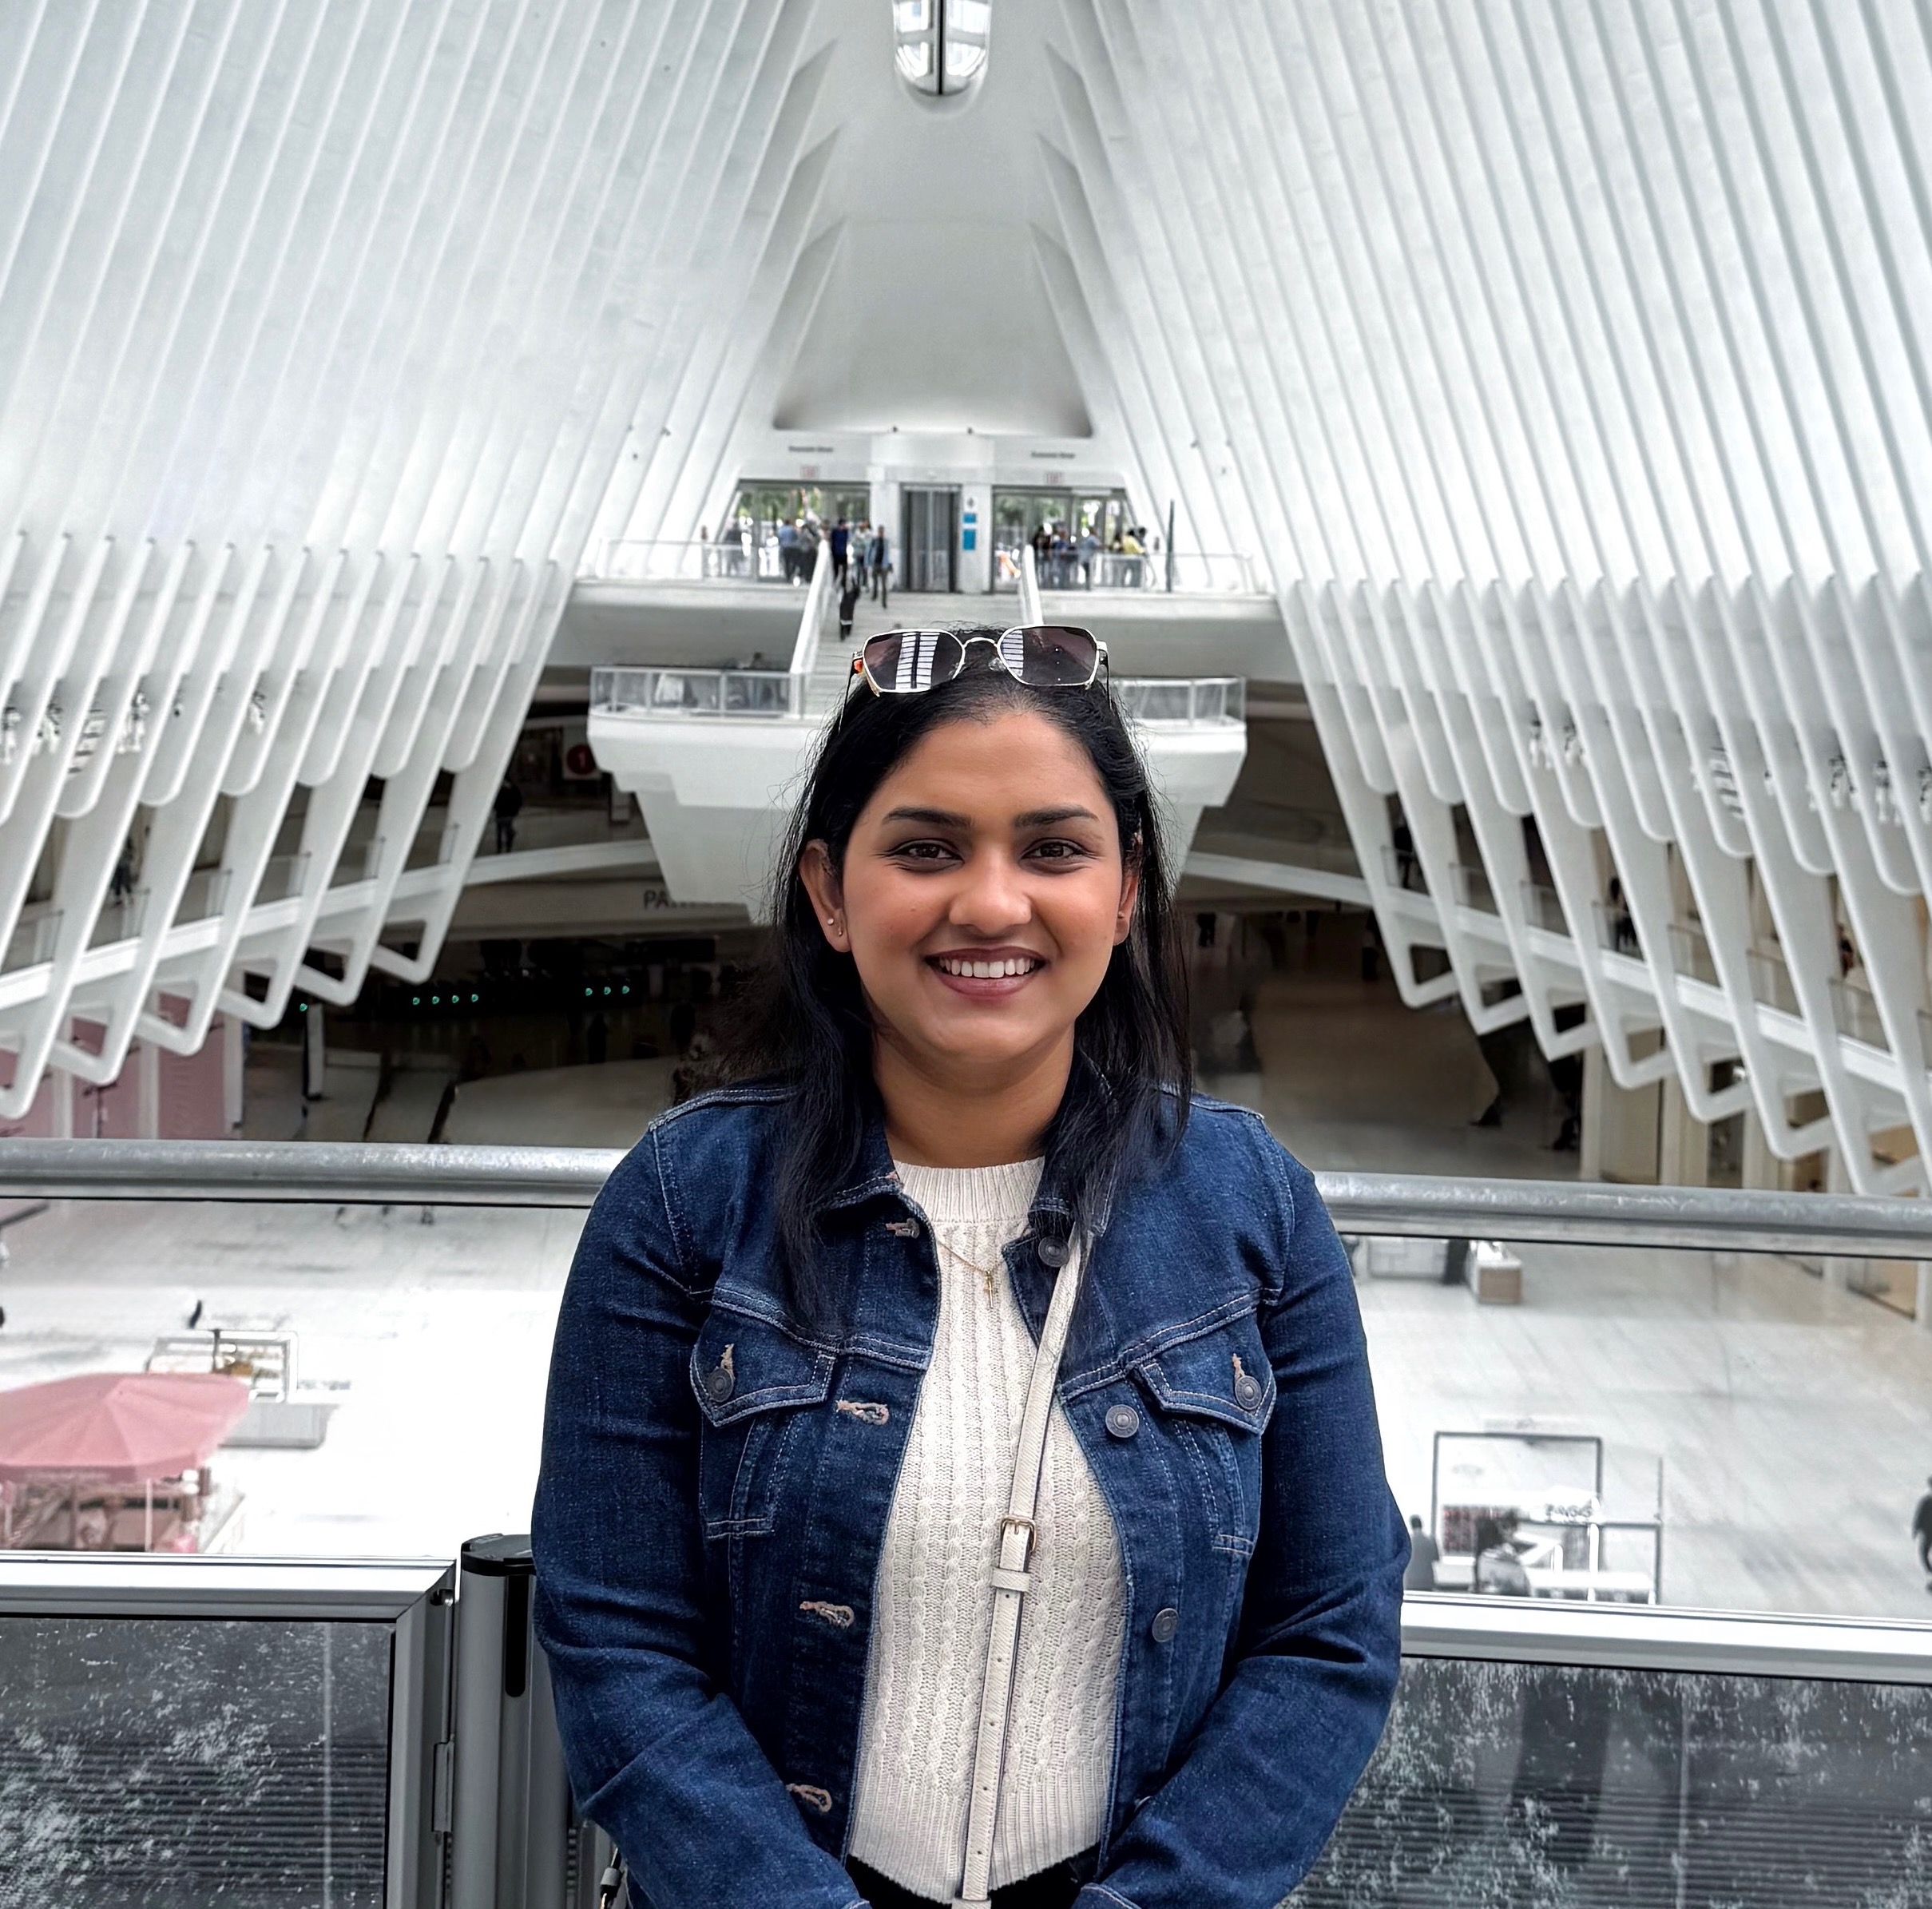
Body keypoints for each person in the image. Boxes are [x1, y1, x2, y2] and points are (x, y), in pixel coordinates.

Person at [534, 625, 1408, 1909]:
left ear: (1124, 891)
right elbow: (617, 1642)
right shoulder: (678, 1206)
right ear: (830, 893)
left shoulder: (1251, 1206)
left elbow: (1329, 1633)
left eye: (1052, 849)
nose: (992, 903)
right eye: (925, 849)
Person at [1403, 1514, 1441, 1593]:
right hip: (1427, 1580)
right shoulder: (1431, 1540)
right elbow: (1437, 1558)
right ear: (1421, 1525)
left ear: (1411, 1526)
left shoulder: (1408, 1541)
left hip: (1411, 1580)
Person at [493, 777, 522, 854]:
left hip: (506, 813)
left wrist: (515, 811)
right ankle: (502, 847)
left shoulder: (512, 789)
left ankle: (505, 847)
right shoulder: (504, 789)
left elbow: (518, 801)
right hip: (503, 813)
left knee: (504, 830)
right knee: (502, 831)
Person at [1914, 1476, 1932, 1585]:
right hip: (1928, 1533)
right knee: (1924, 1553)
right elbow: (1920, 1516)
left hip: (1928, 1533)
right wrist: (1916, 1528)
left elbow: (1920, 1516)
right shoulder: (1926, 1502)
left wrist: (1916, 1528)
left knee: (1924, 1553)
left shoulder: (1926, 1502)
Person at [868, 522, 891, 607]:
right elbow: (870, 551)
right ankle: (875, 595)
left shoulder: (886, 541)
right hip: (876, 563)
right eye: (880, 532)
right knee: (875, 581)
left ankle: (884, 602)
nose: (881, 534)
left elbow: (888, 553)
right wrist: (869, 562)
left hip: (884, 565)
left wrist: (888, 564)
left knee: (884, 584)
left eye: (882, 532)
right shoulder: (874, 541)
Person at [838, 571, 862, 640]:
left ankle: (847, 629)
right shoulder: (843, 579)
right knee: (843, 616)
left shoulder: (854, 579)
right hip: (844, 600)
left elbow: (857, 590)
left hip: (850, 600)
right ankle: (843, 632)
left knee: (849, 616)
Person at [777, 516, 800, 584]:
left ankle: (787, 576)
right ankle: (791, 573)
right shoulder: (792, 529)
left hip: (785, 547)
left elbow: (779, 538)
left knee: (786, 562)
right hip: (793, 547)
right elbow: (796, 537)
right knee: (793, 561)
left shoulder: (781, 530)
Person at [831, 516, 851, 586]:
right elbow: (832, 541)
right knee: (836, 570)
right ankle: (835, 582)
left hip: (843, 553)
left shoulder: (845, 532)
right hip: (836, 553)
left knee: (844, 570)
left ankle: (843, 584)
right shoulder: (835, 532)